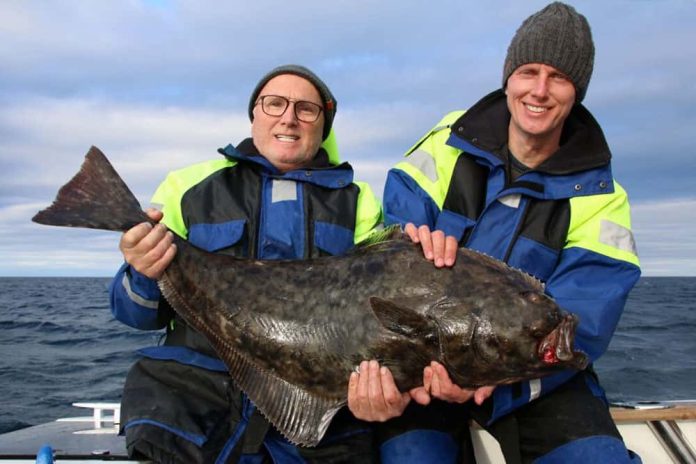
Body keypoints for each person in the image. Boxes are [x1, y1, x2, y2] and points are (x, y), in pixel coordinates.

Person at [374, 2, 642, 462]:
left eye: (558, 77)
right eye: (528, 71)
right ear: (508, 78)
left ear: (577, 91)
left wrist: (494, 385)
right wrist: (409, 237)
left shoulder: (603, 197)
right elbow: (393, 232)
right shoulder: (445, 142)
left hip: (529, 381)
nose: (539, 90)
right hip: (425, 363)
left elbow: (583, 322)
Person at [109, 64, 383, 463]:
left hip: (314, 411)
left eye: (306, 109)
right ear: (254, 114)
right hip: (193, 407)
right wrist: (144, 270)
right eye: (274, 104)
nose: (288, 117)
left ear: (323, 125)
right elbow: (135, 315)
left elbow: (376, 312)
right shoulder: (187, 188)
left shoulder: (360, 202)